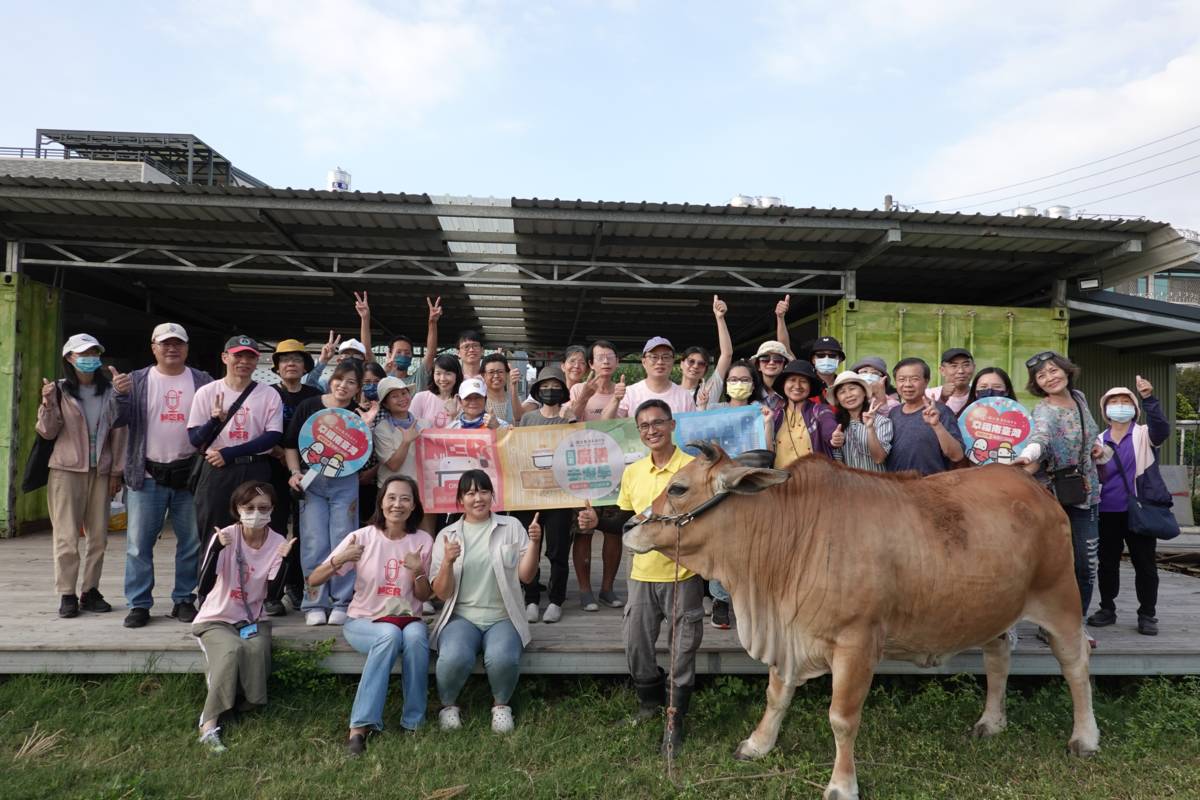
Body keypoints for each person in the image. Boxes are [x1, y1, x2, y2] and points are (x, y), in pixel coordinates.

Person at [580, 399, 702, 755]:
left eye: (657, 423)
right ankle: (649, 704)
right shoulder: (633, 473)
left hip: (684, 573)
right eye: (644, 426)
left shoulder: (693, 469)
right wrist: (597, 523)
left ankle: (675, 718)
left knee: (682, 650)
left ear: (672, 424)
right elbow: (624, 523)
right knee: (636, 645)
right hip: (642, 574)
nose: (652, 430)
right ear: (639, 432)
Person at [307, 476, 434, 753]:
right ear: (381, 501)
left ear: (414, 506)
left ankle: (413, 721)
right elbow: (314, 580)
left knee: (416, 636)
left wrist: (418, 571)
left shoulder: (422, 540)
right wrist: (339, 559)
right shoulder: (362, 537)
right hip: (364, 620)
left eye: (405, 499)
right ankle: (360, 727)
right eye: (391, 497)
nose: (397, 504)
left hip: (408, 619)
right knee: (388, 636)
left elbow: (425, 596)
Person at [110, 323, 213, 629]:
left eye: (178, 344)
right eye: (165, 344)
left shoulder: (202, 380)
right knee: (139, 543)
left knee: (192, 542)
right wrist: (119, 396)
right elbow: (117, 420)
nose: (172, 349)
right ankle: (139, 604)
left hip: (190, 475)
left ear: (186, 348)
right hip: (147, 474)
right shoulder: (137, 380)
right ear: (153, 346)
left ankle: (184, 599)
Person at [430, 470, 541, 734]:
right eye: (469, 493)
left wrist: (535, 542)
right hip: (461, 616)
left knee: (502, 658)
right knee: (453, 657)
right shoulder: (448, 535)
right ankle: (448, 706)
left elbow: (526, 575)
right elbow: (442, 593)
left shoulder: (511, 527)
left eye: (483, 491)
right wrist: (447, 561)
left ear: (493, 495)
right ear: (460, 500)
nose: (477, 498)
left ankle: (501, 705)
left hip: (503, 615)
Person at [192, 481, 294, 753]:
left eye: (263, 508)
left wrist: (284, 561)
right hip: (217, 617)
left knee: (257, 649)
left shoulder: (278, 542)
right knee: (232, 651)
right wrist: (216, 551)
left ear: (272, 509)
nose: (256, 513)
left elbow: (272, 595)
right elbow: (203, 587)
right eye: (249, 508)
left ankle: (241, 704)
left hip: (252, 619)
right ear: (237, 509)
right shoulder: (224, 535)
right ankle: (208, 723)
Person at [37, 333, 126, 618]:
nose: (89, 358)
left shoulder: (110, 390)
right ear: (69, 358)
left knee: (98, 536)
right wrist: (48, 403)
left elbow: (118, 432)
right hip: (65, 470)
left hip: (100, 471)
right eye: (83, 353)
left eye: (93, 353)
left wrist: (116, 472)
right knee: (66, 536)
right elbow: (47, 432)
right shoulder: (60, 390)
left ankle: (90, 590)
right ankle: (67, 594)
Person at [1015, 351, 1101, 645]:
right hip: (1052, 495)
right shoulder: (1044, 410)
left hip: (1087, 494)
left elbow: (1089, 434)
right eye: (1041, 375)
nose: (1049, 377)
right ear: (1036, 384)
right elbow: (1040, 438)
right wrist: (1027, 455)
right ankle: (1048, 623)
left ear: (1066, 371)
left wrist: (1097, 448)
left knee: (1086, 565)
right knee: (1051, 564)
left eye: (1053, 370)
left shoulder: (1080, 398)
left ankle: (1077, 623)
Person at [283, 360, 367, 627]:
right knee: (313, 540)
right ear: (332, 379)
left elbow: (365, 453)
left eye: (351, 382)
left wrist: (367, 421)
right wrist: (295, 473)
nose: (343, 386)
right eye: (340, 379)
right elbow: (290, 444)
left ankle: (342, 601)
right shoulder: (309, 405)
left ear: (358, 388)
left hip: (346, 480)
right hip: (312, 480)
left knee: (344, 539)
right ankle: (314, 601)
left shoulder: (358, 413)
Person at [187, 335, 284, 549]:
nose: (244, 362)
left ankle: (254, 581)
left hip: (255, 468)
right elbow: (195, 439)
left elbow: (273, 436)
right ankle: (211, 582)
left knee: (255, 532)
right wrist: (213, 420)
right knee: (213, 533)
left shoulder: (269, 394)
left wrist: (230, 452)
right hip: (216, 470)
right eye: (238, 356)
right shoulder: (207, 392)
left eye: (250, 357)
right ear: (224, 357)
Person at [1090, 376, 1168, 637]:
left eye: (1125, 402)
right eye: (1113, 402)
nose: (1119, 406)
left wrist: (1148, 398)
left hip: (1139, 511)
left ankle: (1147, 614)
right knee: (1107, 563)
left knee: (1145, 564)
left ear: (1134, 408)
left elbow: (1162, 429)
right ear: (1105, 410)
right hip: (1107, 511)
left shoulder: (1145, 434)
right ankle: (1107, 608)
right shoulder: (1098, 440)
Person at [704, 359, 775, 630]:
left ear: (754, 383)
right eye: (733, 379)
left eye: (745, 379)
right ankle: (720, 600)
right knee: (720, 544)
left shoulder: (760, 410)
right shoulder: (715, 410)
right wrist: (700, 409)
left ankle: (749, 601)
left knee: (752, 543)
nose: (738, 384)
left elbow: (768, 451)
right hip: (720, 486)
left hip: (751, 483)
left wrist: (767, 423)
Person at [263, 339, 322, 616]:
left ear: (304, 366)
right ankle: (271, 591)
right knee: (272, 531)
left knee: (303, 532)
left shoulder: (314, 394)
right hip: (271, 473)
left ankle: (296, 585)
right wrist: (277, 451)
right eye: (284, 360)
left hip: (307, 475)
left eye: (296, 360)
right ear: (276, 366)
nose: (290, 364)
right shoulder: (266, 393)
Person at [568, 340, 627, 611]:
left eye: (610, 357)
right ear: (590, 363)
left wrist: (617, 399)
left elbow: (624, 430)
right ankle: (584, 591)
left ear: (616, 362)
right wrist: (583, 397)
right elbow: (569, 420)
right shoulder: (580, 387)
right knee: (584, 529)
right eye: (599, 357)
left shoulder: (626, 392)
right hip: (582, 469)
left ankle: (607, 588)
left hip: (615, 471)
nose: (605, 361)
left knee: (614, 532)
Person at [517, 366, 573, 624]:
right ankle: (530, 598)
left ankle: (556, 600)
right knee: (530, 547)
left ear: (563, 390)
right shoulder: (528, 419)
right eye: (545, 387)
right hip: (530, 494)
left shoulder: (569, 418)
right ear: (537, 390)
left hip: (561, 496)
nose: (551, 391)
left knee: (558, 549)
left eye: (556, 387)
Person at [884, 358, 965, 475]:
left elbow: (957, 456)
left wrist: (937, 425)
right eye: (902, 379)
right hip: (897, 487)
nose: (907, 384)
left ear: (926, 381)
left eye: (914, 379)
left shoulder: (941, 411)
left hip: (930, 487)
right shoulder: (893, 413)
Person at [605, 337, 696, 419]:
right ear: (644, 362)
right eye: (654, 357)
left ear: (673, 361)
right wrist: (615, 400)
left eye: (666, 357)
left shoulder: (685, 396)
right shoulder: (630, 393)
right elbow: (606, 424)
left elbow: (691, 430)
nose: (660, 362)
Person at [774, 359, 838, 468]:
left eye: (803, 381)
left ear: (810, 386)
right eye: (792, 380)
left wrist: (834, 437)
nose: (797, 386)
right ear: (784, 384)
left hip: (814, 481)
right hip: (781, 482)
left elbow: (829, 426)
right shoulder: (775, 416)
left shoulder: (820, 411)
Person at [304, 292, 373, 390]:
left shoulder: (369, 388)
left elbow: (368, 350)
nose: (351, 360)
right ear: (339, 361)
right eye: (346, 356)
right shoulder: (328, 386)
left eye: (357, 356)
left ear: (364, 361)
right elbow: (307, 385)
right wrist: (323, 360)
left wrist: (365, 319)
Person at [829, 371, 891, 471]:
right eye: (842, 392)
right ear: (838, 399)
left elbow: (879, 459)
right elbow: (838, 462)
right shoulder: (837, 425)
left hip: (878, 484)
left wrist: (870, 428)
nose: (848, 395)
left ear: (864, 392)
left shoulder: (882, 421)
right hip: (850, 485)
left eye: (852, 389)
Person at [682, 295, 734, 408]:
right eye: (691, 361)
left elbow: (727, 354)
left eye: (701, 364)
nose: (695, 366)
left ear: (705, 369)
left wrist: (720, 318)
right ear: (682, 363)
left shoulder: (708, 389)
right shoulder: (669, 391)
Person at [384, 296, 442, 390]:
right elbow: (368, 352)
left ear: (412, 356)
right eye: (398, 352)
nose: (403, 355)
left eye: (407, 353)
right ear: (390, 354)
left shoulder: (418, 379)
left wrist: (432, 322)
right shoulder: (382, 380)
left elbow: (431, 353)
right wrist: (365, 318)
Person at [411, 353, 462, 428]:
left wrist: (454, 416)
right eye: (438, 373)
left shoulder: (464, 401)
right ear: (433, 374)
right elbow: (410, 425)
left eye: (448, 374)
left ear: (457, 375)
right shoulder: (421, 398)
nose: (442, 378)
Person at [925, 348, 976, 415]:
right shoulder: (930, 395)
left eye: (966, 365)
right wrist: (942, 398)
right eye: (954, 366)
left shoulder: (980, 395)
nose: (961, 371)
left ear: (974, 367)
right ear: (942, 371)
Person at [480, 352, 521, 425]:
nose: (496, 375)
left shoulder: (515, 399)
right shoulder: (479, 400)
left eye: (500, 372)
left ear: (507, 374)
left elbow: (519, 420)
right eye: (491, 372)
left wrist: (514, 386)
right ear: (483, 375)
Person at [751, 340, 791, 413]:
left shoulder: (792, 392)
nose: (771, 362)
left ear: (784, 365)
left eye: (777, 359)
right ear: (758, 366)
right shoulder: (750, 392)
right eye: (765, 359)